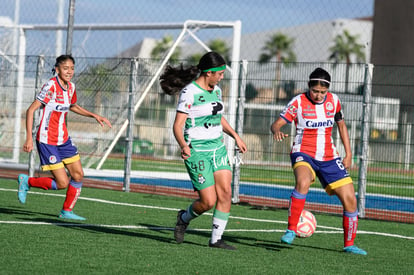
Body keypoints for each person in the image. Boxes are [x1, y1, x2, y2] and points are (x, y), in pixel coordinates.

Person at [270, 67, 367, 255]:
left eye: (323, 92)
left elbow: (342, 126)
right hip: (303, 152)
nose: (318, 95)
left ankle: (349, 244)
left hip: (330, 157)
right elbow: (277, 123)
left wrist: (348, 154)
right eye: (315, 91)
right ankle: (291, 229)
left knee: (351, 200)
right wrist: (276, 131)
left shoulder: (334, 101)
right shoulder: (298, 102)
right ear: (309, 86)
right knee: (303, 181)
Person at [159, 51, 247, 250]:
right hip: (197, 150)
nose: (222, 77)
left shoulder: (216, 90)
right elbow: (177, 125)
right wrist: (183, 145)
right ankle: (183, 218)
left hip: (218, 148)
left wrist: (235, 136)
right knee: (208, 201)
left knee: (225, 193)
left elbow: (218, 117)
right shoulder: (189, 92)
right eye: (220, 73)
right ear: (208, 72)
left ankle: (216, 239)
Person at [17, 54, 112, 220]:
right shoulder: (51, 86)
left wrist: (94, 115)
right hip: (47, 139)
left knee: (78, 175)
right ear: (57, 69)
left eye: (72, 68)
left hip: (64, 140)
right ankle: (27, 182)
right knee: (62, 183)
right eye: (65, 68)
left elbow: (72, 106)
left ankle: (66, 211)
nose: (69, 71)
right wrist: (29, 138)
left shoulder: (71, 87)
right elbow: (31, 110)